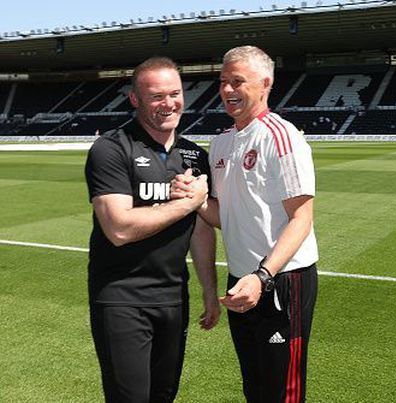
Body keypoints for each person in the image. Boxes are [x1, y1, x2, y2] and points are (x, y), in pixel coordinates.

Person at [172, 45, 319, 403]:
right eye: (223, 82)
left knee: (283, 390)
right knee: (254, 384)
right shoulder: (220, 143)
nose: (227, 90)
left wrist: (263, 276)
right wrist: (195, 199)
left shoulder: (281, 137)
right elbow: (226, 217)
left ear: (265, 83)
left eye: (237, 81)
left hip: (281, 279)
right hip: (240, 279)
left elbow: (302, 217)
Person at [84, 56, 220, 403]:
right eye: (156, 96)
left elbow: (201, 229)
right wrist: (187, 203)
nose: (168, 103)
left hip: (173, 298)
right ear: (135, 99)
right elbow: (119, 228)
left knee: (164, 395)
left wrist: (208, 289)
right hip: (122, 297)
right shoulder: (111, 149)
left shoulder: (194, 156)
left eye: (174, 93)